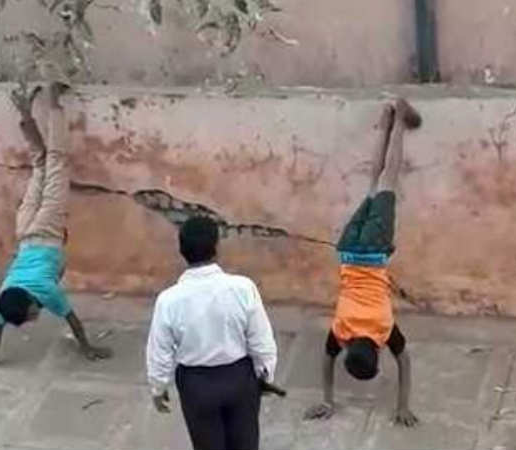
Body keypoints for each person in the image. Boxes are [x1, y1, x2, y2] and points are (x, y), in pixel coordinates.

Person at [303, 99, 421, 427]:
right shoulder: (340, 329)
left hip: (373, 250)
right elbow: (327, 359)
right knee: (373, 185)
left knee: (388, 180)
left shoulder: (383, 329)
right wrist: (327, 397)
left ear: (377, 351)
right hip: (347, 249)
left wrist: (403, 406)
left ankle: (400, 119)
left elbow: (404, 360)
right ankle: (385, 120)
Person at [0, 82, 112, 371]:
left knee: (56, 161)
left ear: (30, 300)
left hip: (47, 228)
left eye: (30, 314)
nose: (33, 317)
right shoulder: (6, 297)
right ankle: (25, 114)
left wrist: (87, 347)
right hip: (24, 229)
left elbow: (72, 319)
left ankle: (54, 102)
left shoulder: (45, 293)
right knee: (41, 165)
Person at [146, 216, 277, 450]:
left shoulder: (168, 301)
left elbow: (160, 351)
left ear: (182, 251)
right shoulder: (243, 288)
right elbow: (261, 340)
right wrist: (265, 374)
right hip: (239, 379)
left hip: (196, 385)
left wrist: (158, 387)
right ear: (217, 248)